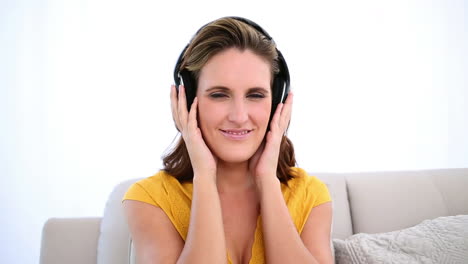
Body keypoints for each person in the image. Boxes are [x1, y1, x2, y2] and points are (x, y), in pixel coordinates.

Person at [122, 16, 333, 264]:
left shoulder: (310, 195)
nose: (239, 116)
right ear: (187, 102)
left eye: (255, 95)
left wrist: (267, 180)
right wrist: (204, 176)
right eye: (219, 95)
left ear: (277, 103)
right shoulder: (151, 198)